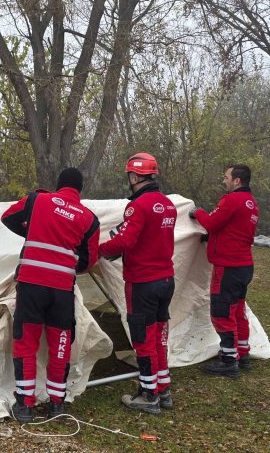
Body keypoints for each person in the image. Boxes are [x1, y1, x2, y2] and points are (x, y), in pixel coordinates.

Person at [0, 168, 100, 423]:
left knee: (26, 342)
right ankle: (57, 404)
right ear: (80, 190)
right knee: (60, 344)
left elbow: (7, 217)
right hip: (62, 290)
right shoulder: (89, 219)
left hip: (31, 285)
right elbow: (89, 260)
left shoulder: (37, 200)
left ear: (58, 184)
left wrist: (32, 231)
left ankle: (24, 405)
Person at [99, 153, 178, 414]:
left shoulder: (138, 206)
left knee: (143, 338)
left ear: (134, 176)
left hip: (143, 282)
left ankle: (148, 395)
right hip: (166, 279)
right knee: (159, 337)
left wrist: (99, 250)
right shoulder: (167, 204)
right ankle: (163, 389)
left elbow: (126, 240)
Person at [189, 164, 259, 377]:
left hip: (228, 267)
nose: (223, 180)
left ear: (237, 180)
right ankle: (243, 353)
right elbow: (232, 229)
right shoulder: (251, 203)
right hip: (244, 265)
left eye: (226, 177)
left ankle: (229, 360)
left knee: (222, 312)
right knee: (237, 311)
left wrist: (197, 212)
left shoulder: (231, 200)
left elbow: (211, 222)